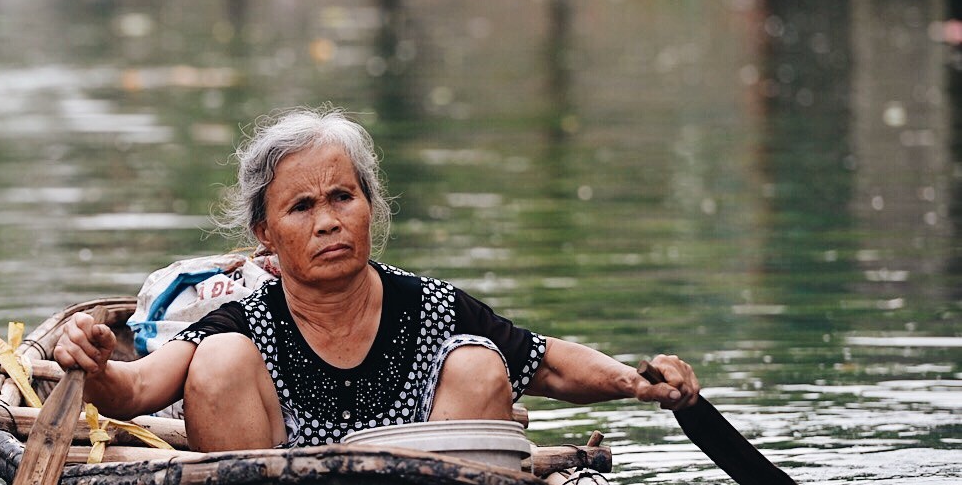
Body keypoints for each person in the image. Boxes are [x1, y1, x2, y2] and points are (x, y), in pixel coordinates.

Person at [54, 107, 701, 452]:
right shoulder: (243, 323)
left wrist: (635, 381)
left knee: (481, 363)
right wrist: (95, 363)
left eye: (342, 197)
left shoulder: (430, 307)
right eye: (302, 207)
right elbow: (135, 390)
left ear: (370, 206)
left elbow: (550, 364)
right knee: (217, 362)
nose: (329, 221)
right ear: (265, 234)